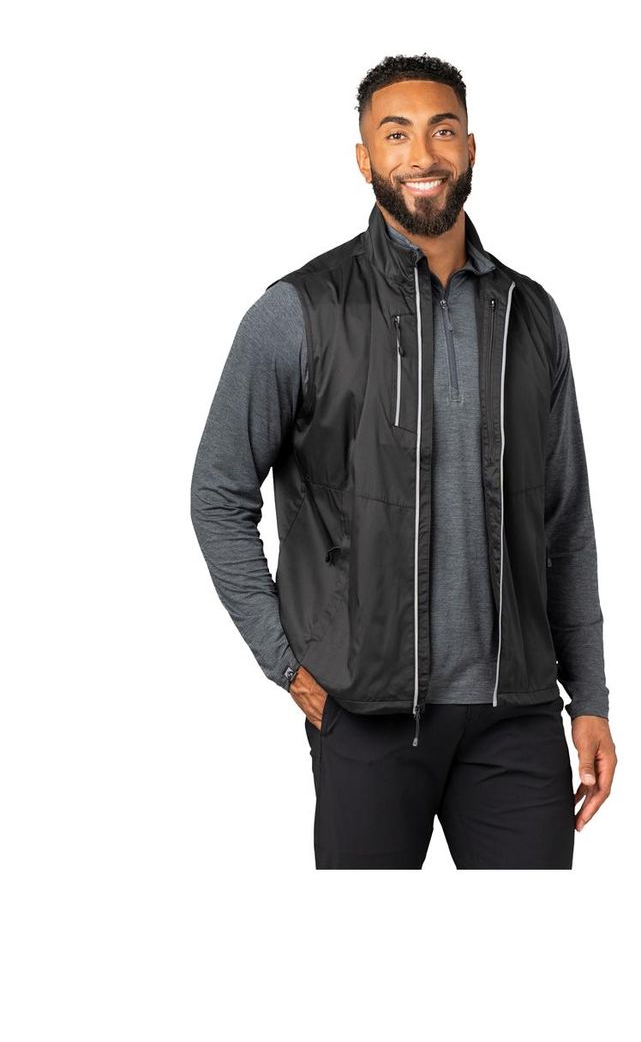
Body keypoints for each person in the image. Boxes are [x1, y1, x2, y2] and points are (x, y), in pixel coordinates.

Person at [190, 53, 617, 868]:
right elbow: (217, 495)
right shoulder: (298, 311)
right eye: (396, 134)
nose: (422, 154)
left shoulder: (529, 315)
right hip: (365, 713)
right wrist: (289, 665)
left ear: (470, 148)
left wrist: (588, 697)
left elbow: (565, 522)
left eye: (442, 131)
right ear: (364, 158)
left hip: (517, 714)